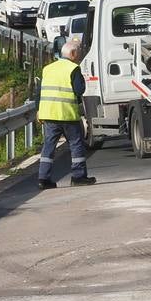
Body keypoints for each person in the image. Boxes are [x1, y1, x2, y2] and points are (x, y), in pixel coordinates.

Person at [36, 39, 95, 189]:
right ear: (73, 54)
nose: (80, 55)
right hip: (66, 114)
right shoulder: (73, 68)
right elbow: (79, 90)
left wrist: (38, 111)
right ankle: (78, 176)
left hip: (48, 114)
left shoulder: (47, 68)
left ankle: (43, 179)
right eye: (79, 53)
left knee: (48, 146)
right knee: (76, 145)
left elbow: (39, 92)